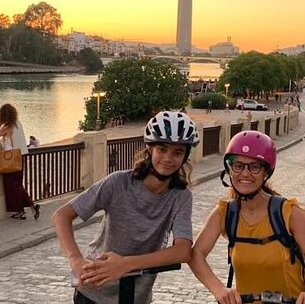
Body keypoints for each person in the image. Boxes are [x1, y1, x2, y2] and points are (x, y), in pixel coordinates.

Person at [52, 111, 199, 304]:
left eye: (177, 152)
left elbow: (183, 251)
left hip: (136, 297)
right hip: (93, 292)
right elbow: (61, 216)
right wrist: (76, 260)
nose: (168, 158)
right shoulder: (118, 183)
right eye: (162, 149)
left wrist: (125, 265)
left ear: (185, 155)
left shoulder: (180, 197)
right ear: (150, 149)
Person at [189, 131, 305, 304]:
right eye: (237, 165)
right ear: (229, 169)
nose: (245, 173)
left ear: (266, 172)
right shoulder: (225, 213)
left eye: (254, 167)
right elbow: (196, 254)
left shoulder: (288, 213)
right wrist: (218, 288)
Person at [0, 103, 40, 221]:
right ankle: (24, 210)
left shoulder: (6, 127)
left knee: (13, 186)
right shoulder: (18, 124)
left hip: (10, 159)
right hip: (20, 156)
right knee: (18, 185)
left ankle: (29, 207)